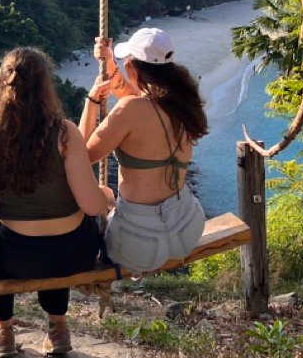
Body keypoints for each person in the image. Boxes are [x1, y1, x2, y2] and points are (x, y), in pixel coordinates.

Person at [0, 48, 113, 358]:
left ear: (1, 84)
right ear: (45, 87)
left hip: (13, 257)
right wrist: (106, 195)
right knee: (65, 231)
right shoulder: (64, 132)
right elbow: (92, 206)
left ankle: (4, 330)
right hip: (70, 255)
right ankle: (57, 326)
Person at [79, 28, 207, 274]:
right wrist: (108, 63)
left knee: (103, 194)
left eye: (127, 60)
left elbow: (83, 158)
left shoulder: (130, 109)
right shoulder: (184, 101)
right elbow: (138, 98)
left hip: (139, 241)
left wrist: (92, 102)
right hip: (188, 227)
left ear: (133, 67)